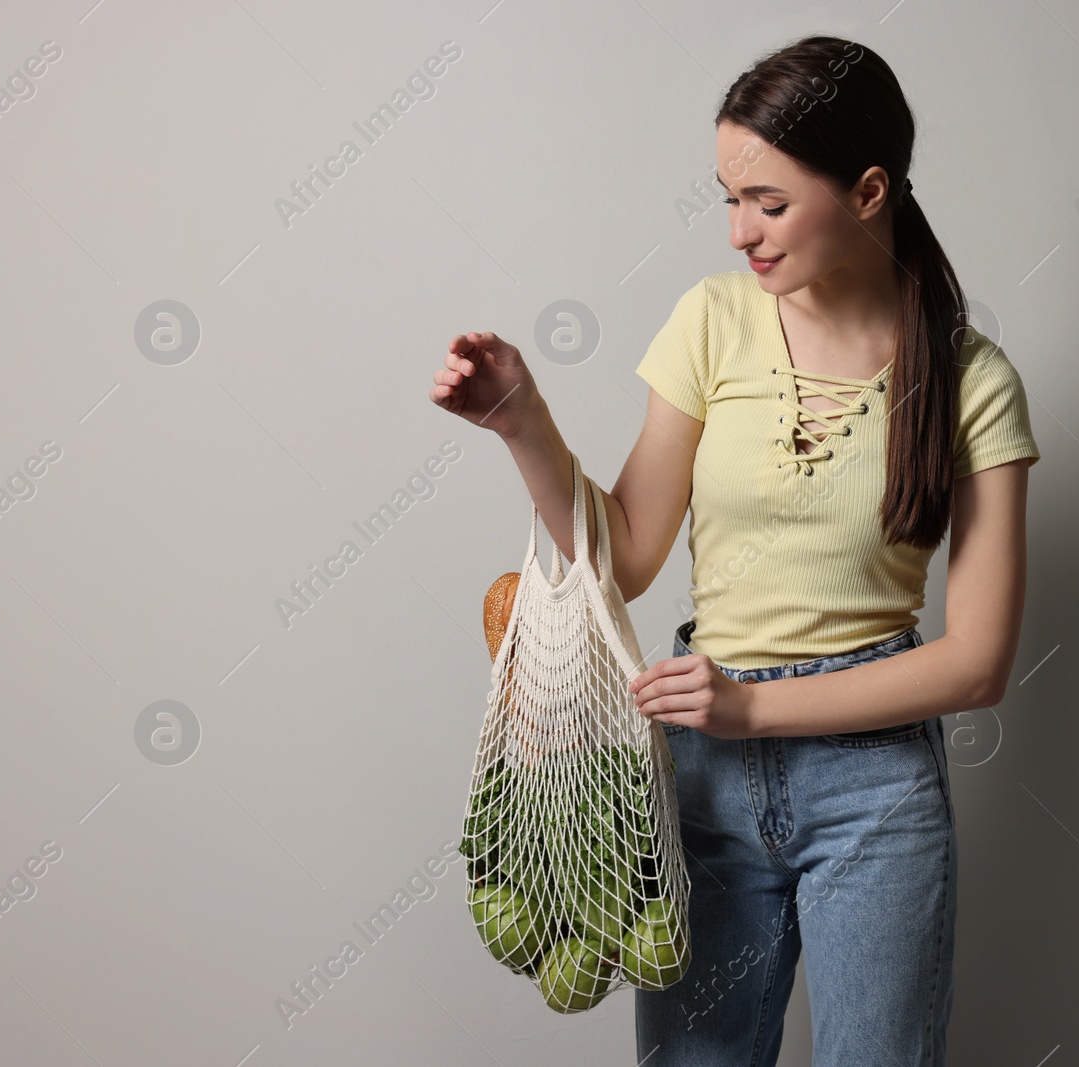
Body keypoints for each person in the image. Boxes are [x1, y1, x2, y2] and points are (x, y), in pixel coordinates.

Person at [429, 33, 1038, 1067]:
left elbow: (975, 663)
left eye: (766, 201)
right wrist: (522, 420)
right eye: (726, 197)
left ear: (868, 190)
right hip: (702, 775)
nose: (737, 233)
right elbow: (620, 555)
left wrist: (751, 703)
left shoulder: (972, 378)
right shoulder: (712, 322)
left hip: (873, 785)